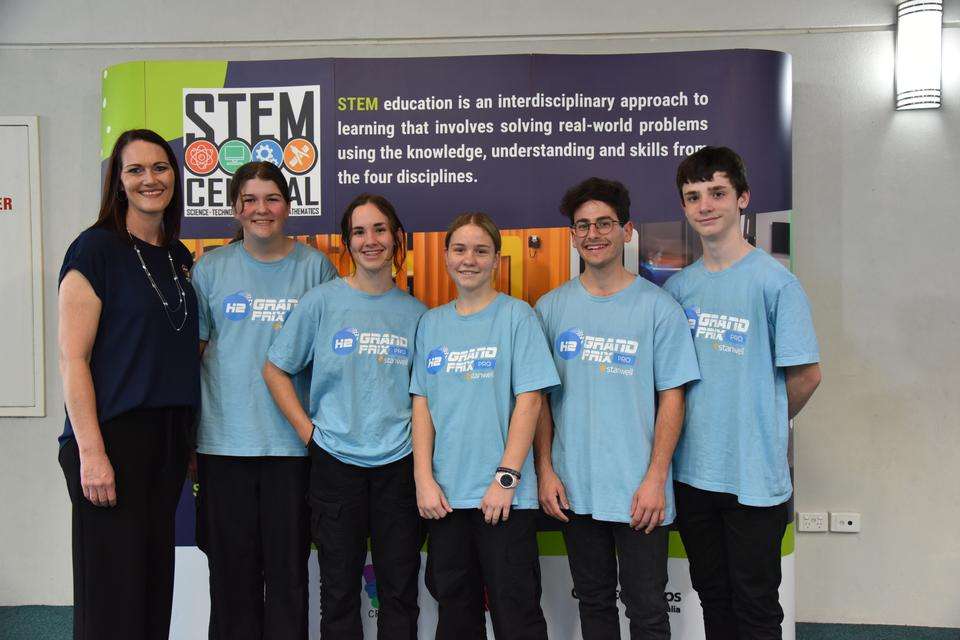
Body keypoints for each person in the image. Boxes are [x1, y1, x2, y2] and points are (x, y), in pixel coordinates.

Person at [664, 147, 821, 640]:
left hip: (753, 477)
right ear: (685, 208)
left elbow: (807, 376)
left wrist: (764, 419)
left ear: (742, 199)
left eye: (717, 193)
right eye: (694, 196)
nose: (705, 205)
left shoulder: (777, 283)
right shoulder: (678, 290)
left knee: (756, 606)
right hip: (692, 474)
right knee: (713, 596)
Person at [534, 178, 700, 639]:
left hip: (638, 494)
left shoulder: (658, 308)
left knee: (647, 611)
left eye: (604, 223)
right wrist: (546, 470)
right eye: (583, 225)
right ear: (572, 235)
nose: (594, 234)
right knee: (593, 604)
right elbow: (541, 402)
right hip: (574, 490)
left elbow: (673, 397)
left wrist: (655, 478)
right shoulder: (550, 309)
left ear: (626, 230)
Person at [57, 129, 199, 640]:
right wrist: (92, 453)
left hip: (165, 441)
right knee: (112, 595)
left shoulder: (180, 257)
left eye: (160, 168)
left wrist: (186, 439)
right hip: (110, 439)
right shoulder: (95, 249)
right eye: (135, 170)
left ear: (174, 178)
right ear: (118, 183)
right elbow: (74, 359)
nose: (149, 179)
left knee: (152, 586)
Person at [263, 194, 425, 640]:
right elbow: (275, 368)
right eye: (359, 232)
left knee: (398, 593)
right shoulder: (321, 303)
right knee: (338, 595)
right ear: (346, 243)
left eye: (379, 230)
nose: (370, 240)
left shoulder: (418, 315)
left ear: (397, 238)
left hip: (399, 468)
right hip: (335, 466)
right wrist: (308, 434)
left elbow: (425, 398)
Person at [191, 161, 338, 639]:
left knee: (288, 576)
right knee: (231, 579)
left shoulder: (316, 267)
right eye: (250, 200)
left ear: (288, 206)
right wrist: (190, 438)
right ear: (235, 208)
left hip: (291, 448)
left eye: (271, 198)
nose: (261, 209)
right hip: (223, 444)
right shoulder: (211, 268)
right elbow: (195, 355)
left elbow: (329, 360)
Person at [411, 213, 560, 640]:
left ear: (496, 259)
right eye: (459, 249)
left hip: (505, 499)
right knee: (456, 616)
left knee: (517, 616)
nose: (469, 259)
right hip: (446, 499)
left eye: (480, 250)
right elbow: (422, 404)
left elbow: (530, 400)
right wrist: (423, 479)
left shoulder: (517, 317)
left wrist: (506, 478)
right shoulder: (432, 324)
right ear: (445, 257)